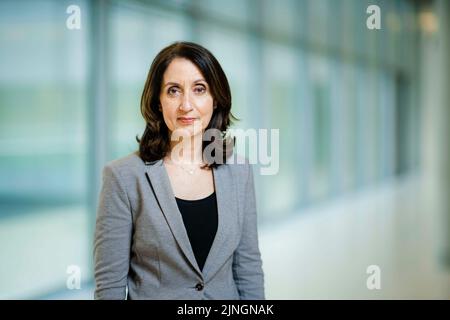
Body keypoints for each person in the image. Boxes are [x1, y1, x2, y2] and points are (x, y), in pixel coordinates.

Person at [93, 41, 265, 300]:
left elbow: (248, 268)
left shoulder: (239, 171)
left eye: (199, 89)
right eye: (174, 90)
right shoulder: (123, 177)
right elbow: (110, 287)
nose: (186, 104)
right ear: (158, 102)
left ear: (215, 99)